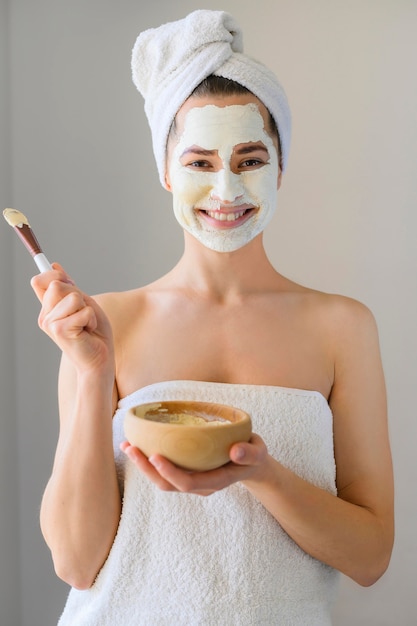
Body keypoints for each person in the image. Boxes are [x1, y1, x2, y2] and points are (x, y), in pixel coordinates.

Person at [31, 10, 394, 626]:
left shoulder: (343, 328)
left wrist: (263, 475)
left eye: (250, 159)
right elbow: (75, 562)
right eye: (200, 163)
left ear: (281, 168)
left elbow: (370, 557)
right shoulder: (108, 323)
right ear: (166, 171)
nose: (226, 190)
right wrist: (94, 373)